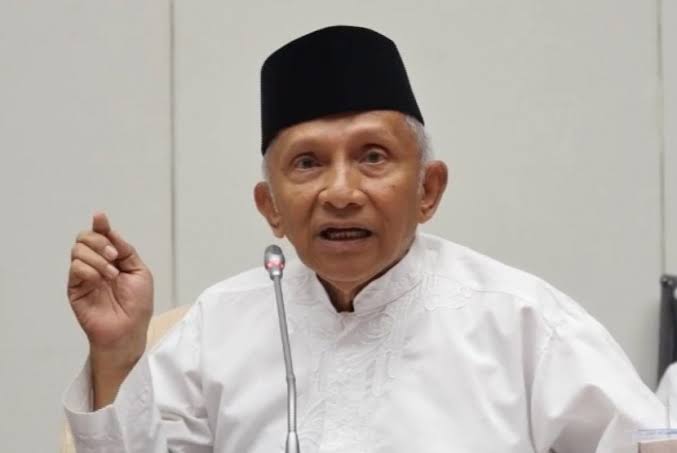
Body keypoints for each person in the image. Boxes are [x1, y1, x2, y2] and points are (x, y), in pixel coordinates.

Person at [64, 25, 669, 453]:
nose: (341, 191)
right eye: (307, 163)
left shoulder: (526, 323)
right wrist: (117, 354)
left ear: (428, 189)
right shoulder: (216, 328)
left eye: (373, 156)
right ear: (270, 207)